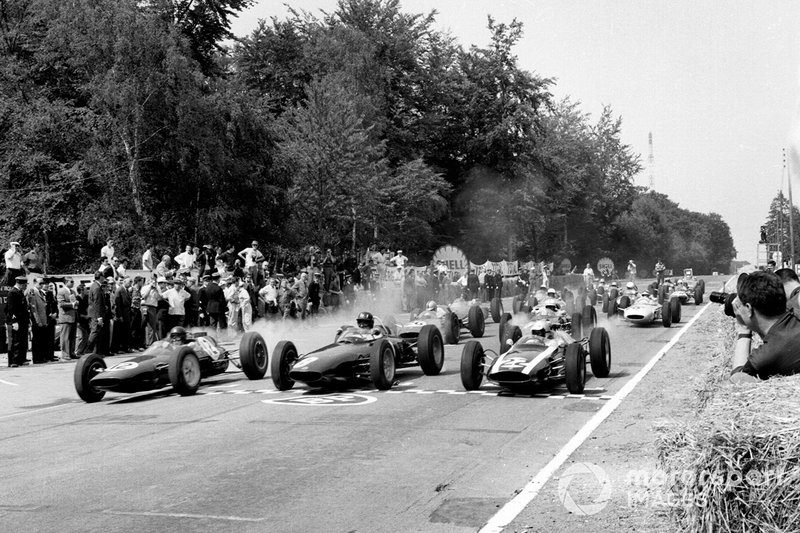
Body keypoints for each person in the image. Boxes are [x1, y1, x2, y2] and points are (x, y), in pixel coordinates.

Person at [730, 271, 800, 381]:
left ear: (748, 309)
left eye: (740, 304)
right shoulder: (796, 311)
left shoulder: (764, 357)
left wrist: (743, 329)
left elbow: (737, 379)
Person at [4, 276, 30, 367]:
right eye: (25, 285)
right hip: (15, 321)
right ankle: (13, 361)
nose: (26, 286)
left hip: (22, 320)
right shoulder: (13, 293)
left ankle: (21, 359)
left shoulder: (20, 292)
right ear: (20, 284)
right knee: (15, 341)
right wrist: (14, 321)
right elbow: (11, 309)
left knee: (22, 340)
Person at [57, 277, 78, 360]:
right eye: (71, 281)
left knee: (72, 337)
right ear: (66, 282)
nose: (73, 283)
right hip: (65, 317)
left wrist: (76, 303)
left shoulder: (73, 292)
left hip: (73, 316)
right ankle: (65, 354)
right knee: (65, 337)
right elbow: (61, 304)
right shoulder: (61, 291)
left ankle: (71, 352)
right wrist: (72, 304)